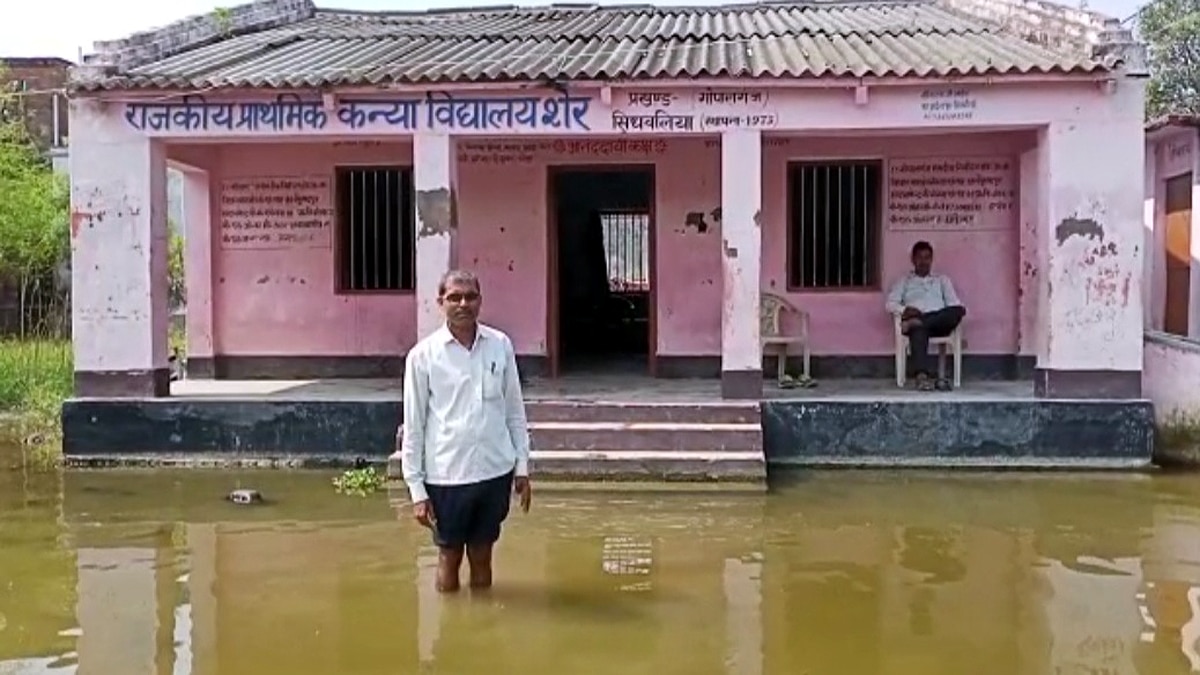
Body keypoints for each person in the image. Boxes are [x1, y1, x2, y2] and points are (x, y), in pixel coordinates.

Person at [398, 269, 533, 593]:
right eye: (455, 297)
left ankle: (481, 630)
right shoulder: (422, 357)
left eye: (470, 297)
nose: (463, 304)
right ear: (440, 302)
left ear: (480, 301)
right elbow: (414, 426)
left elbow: (514, 411)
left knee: (483, 554)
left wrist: (522, 468)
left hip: (494, 470)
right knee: (449, 555)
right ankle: (449, 635)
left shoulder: (499, 345)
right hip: (447, 475)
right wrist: (417, 490)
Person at [884, 241, 966, 391]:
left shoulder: (942, 280)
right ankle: (921, 377)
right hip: (917, 325)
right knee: (919, 331)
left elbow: (954, 304)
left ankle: (920, 322)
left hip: (939, 323)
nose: (924, 261)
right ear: (913, 260)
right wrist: (904, 310)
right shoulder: (904, 281)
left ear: (932, 259)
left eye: (927, 257)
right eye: (920, 258)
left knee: (959, 310)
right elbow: (890, 304)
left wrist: (922, 319)